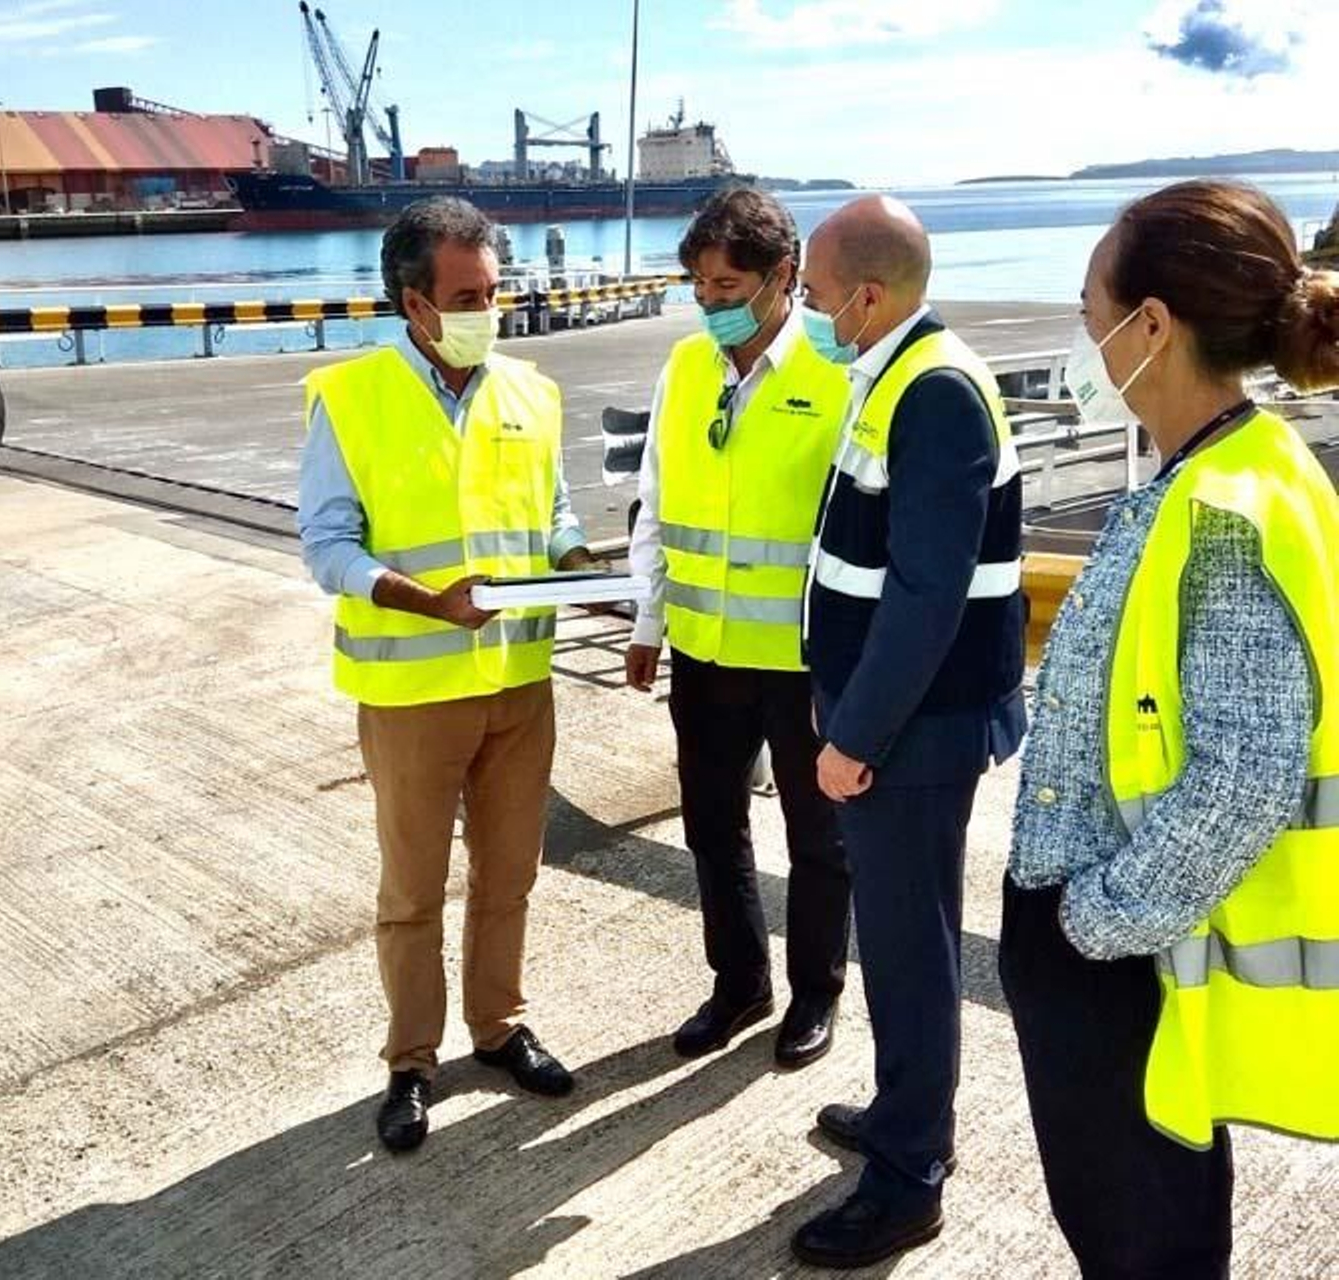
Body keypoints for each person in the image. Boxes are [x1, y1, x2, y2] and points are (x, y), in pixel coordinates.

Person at [1001, 180, 1339, 1278]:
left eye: (1091, 300)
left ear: (1152, 324)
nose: (1086, 327)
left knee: (1142, 1239)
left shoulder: (1225, 508)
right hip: (1119, 941)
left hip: (1122, 958)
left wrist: (1087, 925)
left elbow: (1245, 777)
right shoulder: (1224, 469)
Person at [298, 197, 594, 1153]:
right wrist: (427, 602)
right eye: (466, 295)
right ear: (413, 304)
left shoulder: (533, 394)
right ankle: (412, 1061)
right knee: (413, 890)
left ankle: (500, 1027)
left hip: (518, 682)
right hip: (412, 691)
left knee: (511, 872)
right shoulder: (349, 399)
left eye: (494, 291)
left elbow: (551, 515)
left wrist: (579, 555)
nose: (487, 309)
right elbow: (326, 546)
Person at [791, 196, 1026, 1268]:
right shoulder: (895, 372)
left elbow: (927, 593)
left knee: (908, 949)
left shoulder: (930, 392)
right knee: (900, 937)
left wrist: (856, 734)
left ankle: (907, 1176)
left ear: (867, 295)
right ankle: (903, 1114)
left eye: (811, 290)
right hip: (895, 724)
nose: (805, 306)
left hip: (909, 735)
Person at [624, 187, 852, 1068]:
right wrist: (648, 618)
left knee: (818, 837)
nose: (711, 302)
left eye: (728, 285)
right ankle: (739, 983)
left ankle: (815, 993)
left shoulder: (836, 370)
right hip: (705, 650)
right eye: (699, 286)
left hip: (803, 659)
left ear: (783, 278)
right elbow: (658, 498)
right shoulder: (685, 367)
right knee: (712, 827)